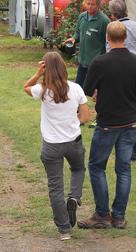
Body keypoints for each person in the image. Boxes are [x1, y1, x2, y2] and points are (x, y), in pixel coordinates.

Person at [78, 21, 136, 230]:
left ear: (107, 38)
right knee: (124, 169)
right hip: (131, 120)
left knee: (97, 166)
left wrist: (98, 91)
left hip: (107, 122)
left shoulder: (99, 62)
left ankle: (103, 214)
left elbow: (87, 89)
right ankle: (119, 216)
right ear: (126, 37)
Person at [24, 52, 89, 240]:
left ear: (47, 70)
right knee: (78, 168)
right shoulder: (76, 89)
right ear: (63, 67)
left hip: (51, 145)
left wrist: (37, 73)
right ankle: (75, 197)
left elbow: (26, 87)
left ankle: (64, 230)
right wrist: (71, 121)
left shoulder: (42, 90)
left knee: (55, 186)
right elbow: (85, 117)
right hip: (73, 141)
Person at [106, 0, 136, 163]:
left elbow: (110, 54)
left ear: (112, 15)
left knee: (130, 113)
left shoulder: (112, 30)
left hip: (122, 78)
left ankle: (135, 150)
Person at [63, 0, 110, 89]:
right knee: (78, 89)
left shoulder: (104, 21)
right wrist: (74, 38)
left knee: (99, 90)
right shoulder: (82, 17)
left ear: (98, 5)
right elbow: (78, 33)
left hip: (97, 63)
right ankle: (79, 105)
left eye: (93, 4)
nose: (90, 6)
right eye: (88, 4)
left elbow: (110, 41)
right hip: (83, 62)